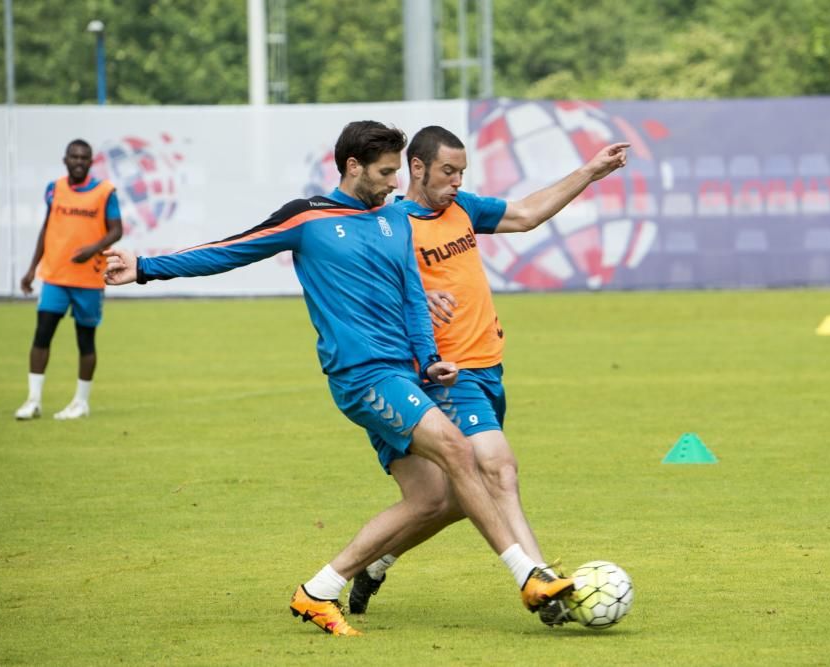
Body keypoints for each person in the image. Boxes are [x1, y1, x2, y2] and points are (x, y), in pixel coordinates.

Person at [102, 121, 574, 637]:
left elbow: (414, 294)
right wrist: (145, 266)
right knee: (461, 453)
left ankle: (321, 589)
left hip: (407, 375)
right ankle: (528, 576)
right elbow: (229, 250)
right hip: (362, 374)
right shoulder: (309, 218)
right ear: (353, 166)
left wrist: (429, 356)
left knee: (434, 500)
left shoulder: (394, 220)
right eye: (386, 172)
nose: (395, 183)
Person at [345, 125, 629, 626]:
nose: (456, 182)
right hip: (445, 375)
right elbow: (356, 292)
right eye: (448, 172)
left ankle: (376, 562)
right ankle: (543, 585)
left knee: (449, 499)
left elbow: (523, 215)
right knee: (499, 469)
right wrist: (411, 298)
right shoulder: (388, 224)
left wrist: (590, 171)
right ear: (417, 168)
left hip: (490, 368)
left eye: (462, 173)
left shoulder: (463, 209)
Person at [16, 139, 123, 421]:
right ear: (65, 160)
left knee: (85, 340)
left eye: (84, 157)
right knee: (42, 335)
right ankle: (33, 400)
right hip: (55, 276)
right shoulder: (54, 189)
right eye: (73, 157)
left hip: (89, 279)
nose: (78, 161)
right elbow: (47, 228)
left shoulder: (104, 192)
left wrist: (91, 249)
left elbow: (117, 230)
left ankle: (80, 402)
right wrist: (31, 270)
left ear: (90, 162)